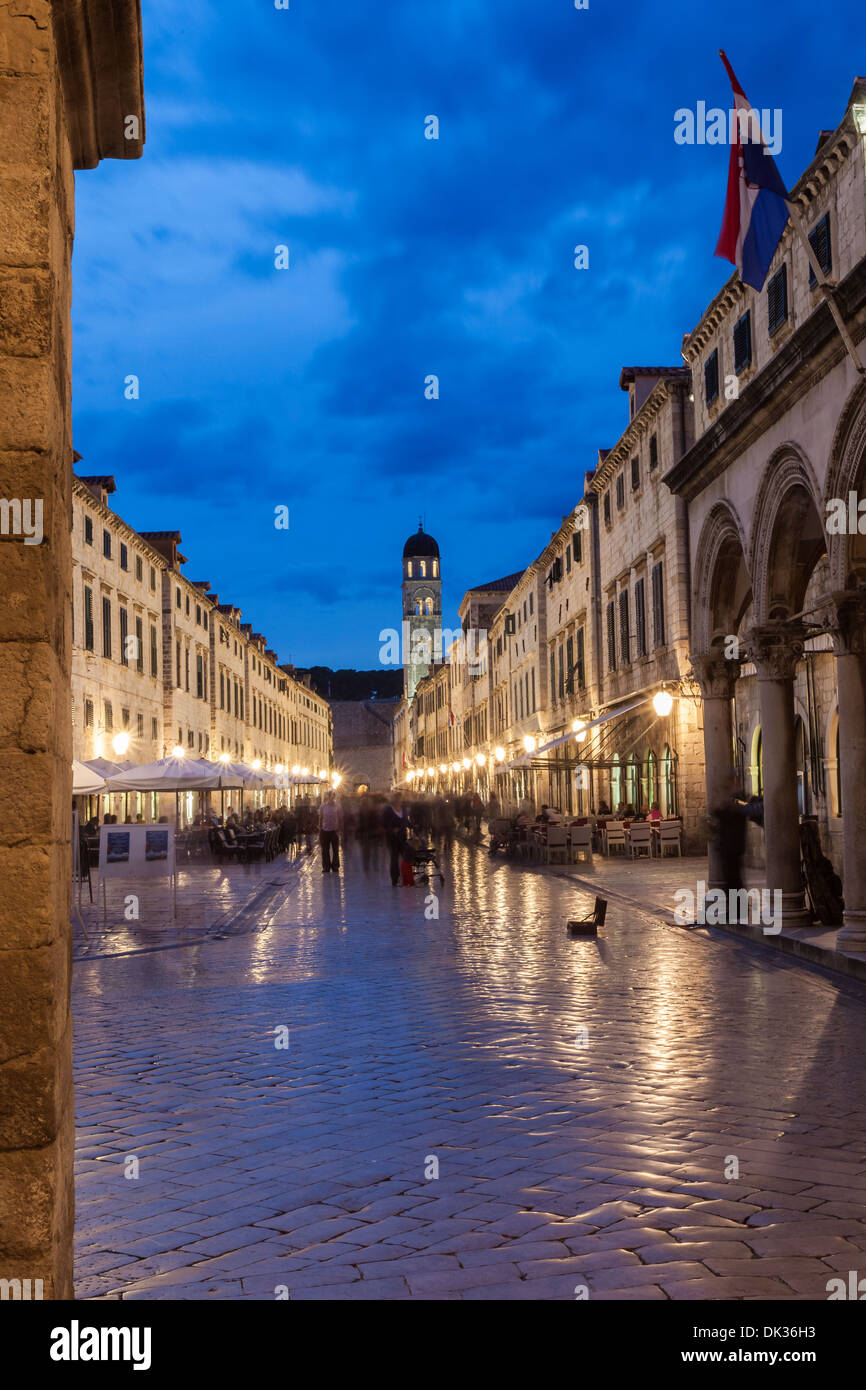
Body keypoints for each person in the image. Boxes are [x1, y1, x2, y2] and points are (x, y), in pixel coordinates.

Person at [382, 792, 409, 886]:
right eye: (397, 798)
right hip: (392, 838)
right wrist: (392, 829)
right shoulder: (388, 810)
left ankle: (406, 876)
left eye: (400, 798)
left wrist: (413, 826)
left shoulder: (404, 808)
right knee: (394, 858)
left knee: (406, 856)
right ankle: (395, 878)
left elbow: (405, 820)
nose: (399, 800)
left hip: (403, 836)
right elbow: (383, 823)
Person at [319, 792, 343, 873]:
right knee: (325, 850)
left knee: (335, 850)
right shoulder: (323, 806)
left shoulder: (337, 806)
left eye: (333, 796)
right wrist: (320, 829)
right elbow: (320, 817)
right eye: (330, 796)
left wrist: (340, 829)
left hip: (334, 831)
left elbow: (340, 818)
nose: (332, 797)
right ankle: (326, 867)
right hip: (325, 831)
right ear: (328, 796)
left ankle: (335, 866)